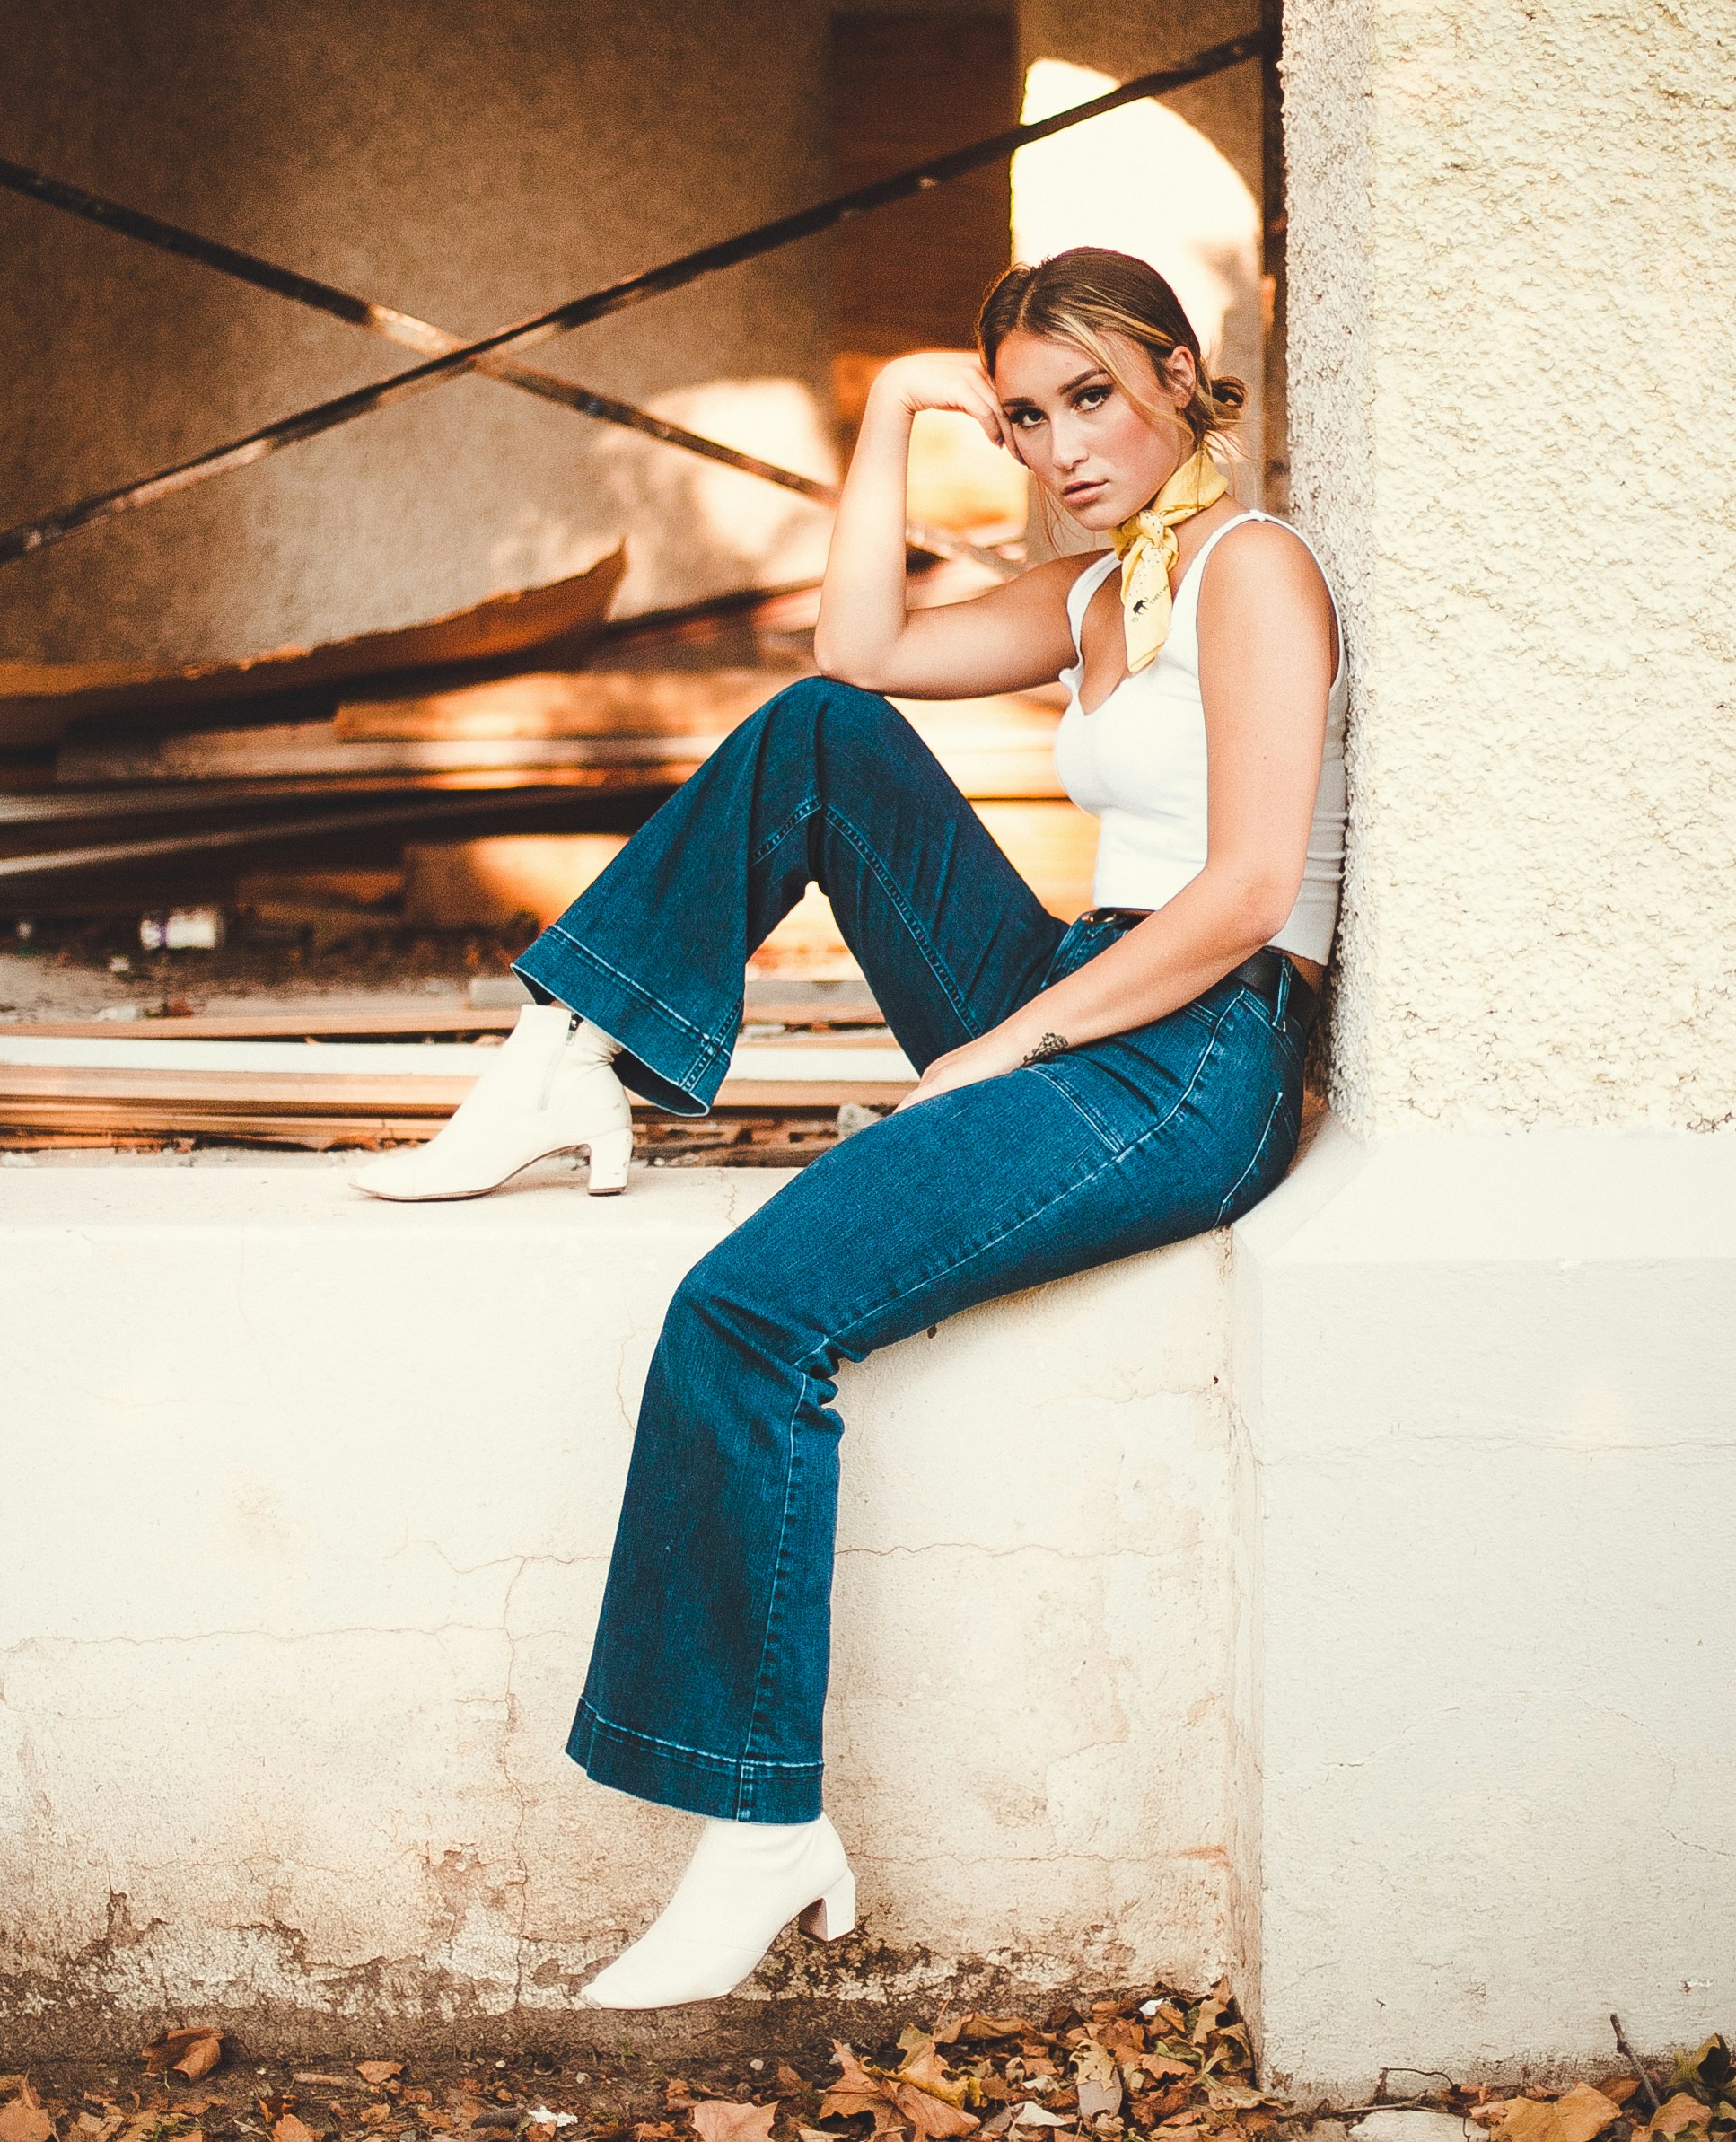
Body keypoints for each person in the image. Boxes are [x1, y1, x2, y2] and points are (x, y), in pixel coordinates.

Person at [353, 245, 1347, 2011]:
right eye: (1024, 416)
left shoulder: (1246, 568)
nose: (1057, 444)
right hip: (1080, 986)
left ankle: (759, 1827)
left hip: (1193, 1048)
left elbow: (1253, 882)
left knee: (746, 1313)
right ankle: (567, 1048)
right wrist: (895, 402)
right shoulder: (1095, 584)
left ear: (1186, 380)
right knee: (819, 728)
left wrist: (1009, 1046)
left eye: (1092, 397)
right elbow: (858, 645)